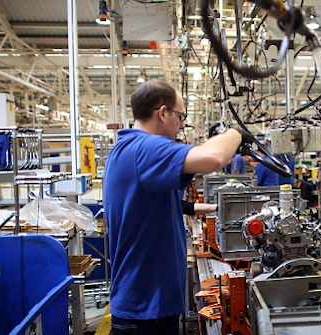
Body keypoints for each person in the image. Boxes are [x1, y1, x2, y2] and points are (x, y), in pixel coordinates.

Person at [103, 79, 254, 334]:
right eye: (180, 116)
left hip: (144, 308)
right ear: (163, 113)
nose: (182, 125)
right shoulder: (145, 148)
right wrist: (235, 134)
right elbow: (214, 158)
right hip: (146, 315)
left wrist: (201, 208)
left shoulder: (127, 149)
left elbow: (156, 203)